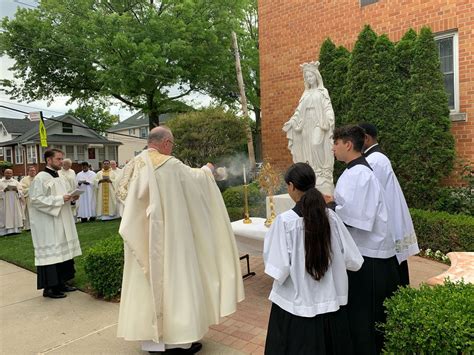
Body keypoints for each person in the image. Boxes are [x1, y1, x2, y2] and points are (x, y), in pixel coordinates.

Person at [117, 126, 244, 354]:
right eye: (171, 144)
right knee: (176, 281)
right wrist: (207, 170)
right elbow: (195, 180)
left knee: (146, 283)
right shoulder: (170, 165)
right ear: (166, 143)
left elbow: (123, 193)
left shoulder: (134, 165)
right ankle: (178, 340)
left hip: (144, 240)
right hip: (170, 239)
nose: (171, 148)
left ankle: (152, 342)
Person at [263, 163, 363, 354]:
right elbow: (353, 260)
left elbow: (278, 269)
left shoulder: (285, 222)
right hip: (330, 306)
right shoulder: (331, 217)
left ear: (291, 186)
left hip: (296, 311)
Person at [327, 125, 401, 355]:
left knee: (365, 317)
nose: (333, 148)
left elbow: (356, 218)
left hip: (369, 258)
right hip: (371, 255)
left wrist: (328, 206)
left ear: (348, 144)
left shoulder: (357, 174)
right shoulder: (357, 171)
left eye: (335, 143)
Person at [359, 123, 419, 286]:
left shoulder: (375, 160)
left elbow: (370, 195)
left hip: (386, 220)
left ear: (366, 138)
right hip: (386, 217)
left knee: (391, 270)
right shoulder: (374, 158)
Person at [29, 149, 81, 298]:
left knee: (63, 253)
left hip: (62, 220)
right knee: (52, 254)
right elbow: (36, 200)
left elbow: (63, 195)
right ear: (49, 160)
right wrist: (60, 199)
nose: (61, 161)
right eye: (58, 159)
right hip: (48, 223)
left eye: (62, 159)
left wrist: (71, 198)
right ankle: (50, 288)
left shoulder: (60, 176)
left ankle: (62, 282)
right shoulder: (41, 178)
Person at [282, 60, 335, 195]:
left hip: (319, 122)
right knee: (307, 150)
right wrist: (292, 121)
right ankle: (310, 173)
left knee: (316, 144)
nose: (309, 79)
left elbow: (328, 108)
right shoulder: (305, 94)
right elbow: (298, 111)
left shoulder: (323, 92)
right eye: (306, 77)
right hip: (306, 124)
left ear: (316, 76)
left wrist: (329, 120)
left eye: (311, 76)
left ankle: (321, 172)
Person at [0, 168, 24, 236]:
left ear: (12, 174)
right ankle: (5, 231)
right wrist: (4, 190)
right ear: (4, 173)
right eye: (7, 173)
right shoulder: (0, 182)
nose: (9, 174)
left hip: (14, 204)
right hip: (4, 203)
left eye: (10, 173)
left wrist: (17, 190)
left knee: (15, 215)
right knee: (4, 215)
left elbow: (21, 192)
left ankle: (15, 230)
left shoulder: (16, 182)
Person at [20, 166, 37, 230]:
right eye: (31, 170)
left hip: (37, 198)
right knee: (28, 212)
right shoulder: (24, 179)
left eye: (34, 170)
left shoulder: (38, 178)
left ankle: (37, 225)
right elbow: (21, 189)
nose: (33, 172)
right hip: (28, 199)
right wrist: (30, 189)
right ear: (28, 172)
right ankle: (28, 227)